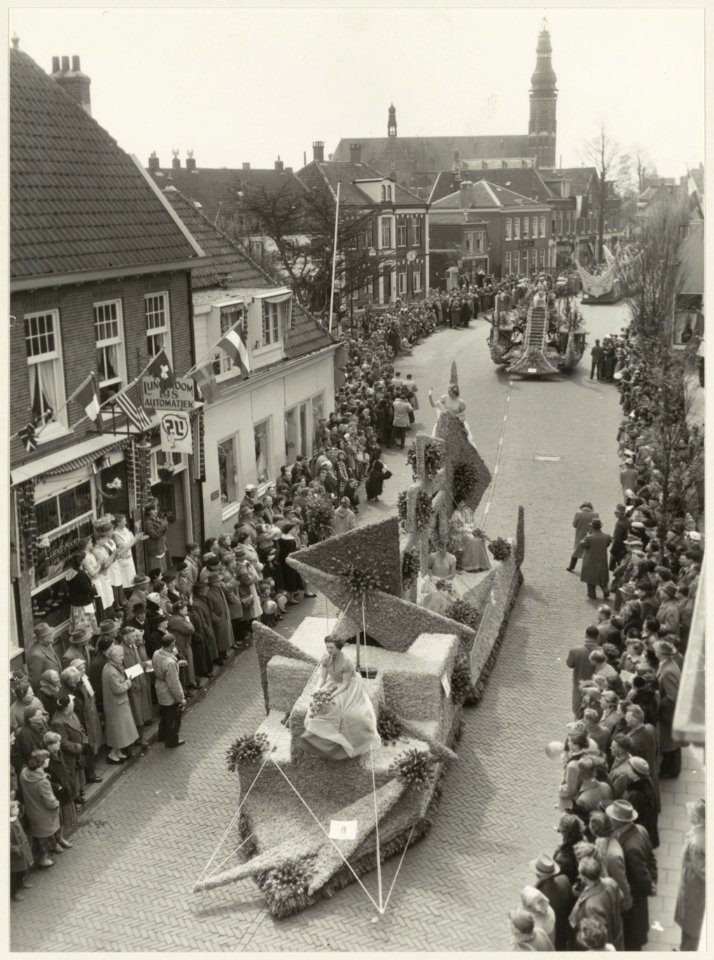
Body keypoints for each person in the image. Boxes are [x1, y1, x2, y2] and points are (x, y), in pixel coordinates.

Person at [300, 636, 381, 760]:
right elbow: (322, 677)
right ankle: (317, 744)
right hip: (333, 683)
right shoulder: (326, 658)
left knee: (346, 714)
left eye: (331, 647)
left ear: (338, 648)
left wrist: (331, 695)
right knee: (319, 707)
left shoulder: (347, 661)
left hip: (348, 687)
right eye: (327, 647)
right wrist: (318, 690)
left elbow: (345, 684)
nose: (329, 650)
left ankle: (341, 748)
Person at [606, 799, 657, 951]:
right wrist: (654, 881)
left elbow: (640, 874)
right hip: (638, 893)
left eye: (611, 818)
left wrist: (648, 885)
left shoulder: (630, 847)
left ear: (617, 821)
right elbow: (651, 858)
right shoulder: (641, 829)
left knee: (632, 935)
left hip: (633, 895)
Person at [568, 856, 624, 951]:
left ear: (585, 878)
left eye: (579, 873)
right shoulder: (611, 882)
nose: (578, 875)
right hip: (616, 928)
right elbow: (621, 898)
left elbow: (598, 934)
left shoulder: (591, 906)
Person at [19, 749, 61, 869]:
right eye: (47, 759)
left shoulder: (24, 773)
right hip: (44, 814)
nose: (48, 760)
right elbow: (50, 802)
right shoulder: (42, 783)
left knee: (38, 836)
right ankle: (44, 860)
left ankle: (43, 858)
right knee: (45, 839)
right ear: (41, 762)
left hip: (32, 811)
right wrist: (57, 803)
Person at [674, 798, 705, 951]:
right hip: (693, 888)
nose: (688, 814)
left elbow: (704, 872)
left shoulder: (697, 842)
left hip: (694, 892)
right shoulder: (699, 834)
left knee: (691, 928)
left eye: (691, 813)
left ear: (699, 818)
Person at [102, 644, 140, 764]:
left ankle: (117, 752)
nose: (122, 658)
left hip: (119, 704)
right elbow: (118, 689)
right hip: (116, 705)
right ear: (112, 656)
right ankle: (112, 754)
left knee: (120, 731)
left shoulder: (112, 666)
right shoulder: (111, 671)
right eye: (120, 655)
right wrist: (129, 682)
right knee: (118, 731)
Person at [530, 854, 574, 951]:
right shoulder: (564, 879)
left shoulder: (539, 897)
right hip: (564, 931)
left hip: (550, 936)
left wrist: (535, 887)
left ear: (538, 875)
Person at [152, 632, 187, 748]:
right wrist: (181, 698)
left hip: (160, 688)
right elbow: (174, 684)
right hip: (168, 692)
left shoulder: (156, 653)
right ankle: (171, 741)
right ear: (172, 644)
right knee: (173, 718)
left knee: (164, 714)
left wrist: (178, 663)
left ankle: (161, 736)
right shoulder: (170, 662)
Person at [653, 639, 682, 779]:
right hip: (668, 712)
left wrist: (657, 700)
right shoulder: (667, 664)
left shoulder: (668, 671)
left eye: (656, 649)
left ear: (660, 653)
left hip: (668, 713)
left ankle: (671, 770)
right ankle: (671, 768)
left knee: (670, 742)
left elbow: (672, 696)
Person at [43, 730, 77, 843]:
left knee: (63, 817)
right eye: (55, 742)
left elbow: (64, 768)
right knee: (58, 817)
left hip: (64, 789)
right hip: (57, 792)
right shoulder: (46, 759)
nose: (58, 744)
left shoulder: (58, 753)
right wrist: (57, 786)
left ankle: (60, 838)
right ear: (49, 744)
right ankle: (58, 840)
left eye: (58, 742)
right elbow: (45, 777)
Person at [566, 626, 601, 716]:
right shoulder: (602, 651)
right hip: (596, 685)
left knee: (577, 709)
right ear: (597, 637)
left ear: (586, 635)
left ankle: (578, 724)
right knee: (592, 710)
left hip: (579, 683)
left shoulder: (575, 650)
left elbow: (570, 664)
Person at [450, 501, 491, 572]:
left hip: (470, 531)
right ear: (457, 504)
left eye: (463, 503)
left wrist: (473, 529)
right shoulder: (455, 514)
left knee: (480, 540)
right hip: (460, 533)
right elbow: (455, 528)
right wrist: (464, 529)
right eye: (461, 503)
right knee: (472, 541)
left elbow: (473, 522)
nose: (463, 504)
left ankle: (481, 564)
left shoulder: (468, 511)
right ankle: (471, 566)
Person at [579, 519, 611, 600]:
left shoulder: (589, 537)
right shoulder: (606, 536)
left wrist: (586, 536)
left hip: (591, 560)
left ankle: (592, 594)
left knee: (590, 578)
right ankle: (605, 590)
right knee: (602, 577)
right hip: (602, 560)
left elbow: (582, 545)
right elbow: (607, 545)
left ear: (592, 526)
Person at [10, 792, 34, 901]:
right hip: (16, 854)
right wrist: (15, 849)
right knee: (16, 873)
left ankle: (21, 882)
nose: (17, 810)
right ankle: (13, 893)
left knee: (23, 868)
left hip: (23, 849)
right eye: (15, 808)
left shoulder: (15, 819)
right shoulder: (8, 825)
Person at [26, 623, 63, 689]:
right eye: (50, 634)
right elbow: (35, 682)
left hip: (56, 687)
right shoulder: (36, 655)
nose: (53, 635)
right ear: (44, 638)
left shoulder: (48, 645)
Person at [567, 503, 599, 573]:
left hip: (580, 535)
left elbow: (574, 525)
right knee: (589, 552)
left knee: (576, 551)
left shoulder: (578, 513)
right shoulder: (595, 514)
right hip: (591, 535)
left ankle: (571, 567)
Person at [144, 502, 169, 573]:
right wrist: (162, 526)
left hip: (161, 546)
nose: (156, 511)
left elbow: (163, 532)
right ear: (149, 511)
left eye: (156, 509)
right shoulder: (148, 523)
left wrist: (165, 525)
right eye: (154, 510)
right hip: (155, 549)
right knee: (157, 572)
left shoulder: (156, 519)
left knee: (162, 571)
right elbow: (154, 535)